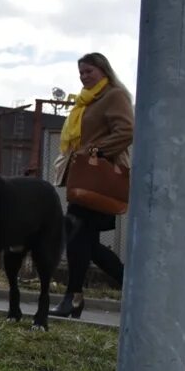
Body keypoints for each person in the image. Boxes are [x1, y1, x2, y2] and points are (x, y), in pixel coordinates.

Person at [50, 52, 134, 318]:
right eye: (81, 73)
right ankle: (132, 286)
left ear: (103, 71)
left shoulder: (113, 95)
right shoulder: (87, 100)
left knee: (76, 236)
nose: (84, 77)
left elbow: (127, 130)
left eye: (89, 72)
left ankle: (72, 298)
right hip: (83, 176)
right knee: (87, 243)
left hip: (98, 177)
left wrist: (95, 151)